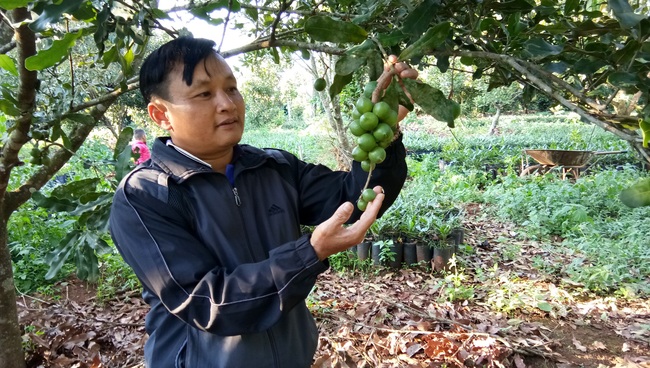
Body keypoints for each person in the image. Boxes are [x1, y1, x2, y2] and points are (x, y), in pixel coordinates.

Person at [109, 36, 416, 368]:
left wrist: (388, 128)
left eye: (231, 88)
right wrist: (308, 254)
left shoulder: (273, 168)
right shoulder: (145, 196)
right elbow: (206, 301)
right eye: (204, 94)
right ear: (161, 114)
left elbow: (353, 198)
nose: (227, 103)